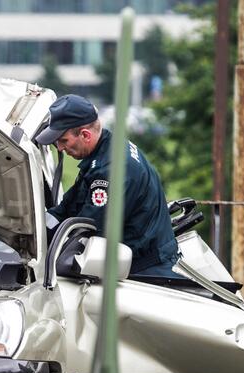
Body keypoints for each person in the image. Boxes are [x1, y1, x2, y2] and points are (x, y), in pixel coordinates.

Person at [35, 94, 179, 277]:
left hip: (148, 272)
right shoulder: (102, 154)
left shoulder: (111, 170)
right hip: (136, 264)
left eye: (63, 141)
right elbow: (67, 208)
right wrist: (37, 231)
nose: (60, 148)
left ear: (85, 135)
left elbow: (88, 232)